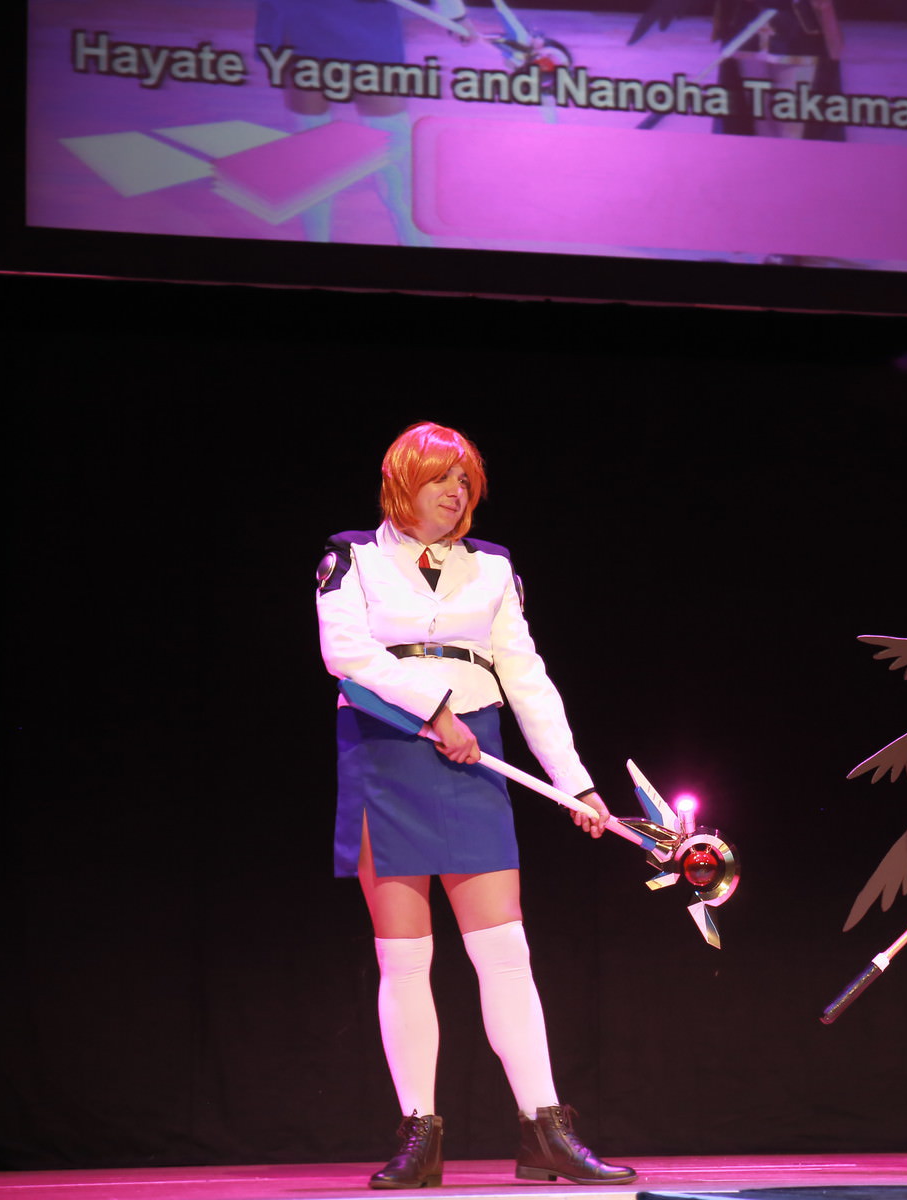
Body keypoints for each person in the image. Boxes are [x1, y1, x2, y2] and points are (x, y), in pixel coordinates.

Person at [315, 421, 634, 1190]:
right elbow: (345, 653)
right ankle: (419, 1136)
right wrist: (433, 711)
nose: (456, 493)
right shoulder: (351, 557)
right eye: (440, 479)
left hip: (473, 756)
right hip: (387, 752)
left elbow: (527, 677)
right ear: (402, 485)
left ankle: (545, 1132)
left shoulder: (492, 567)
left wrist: (575, 782)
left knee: (505, 952)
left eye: (465, 481)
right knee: (406, 958)